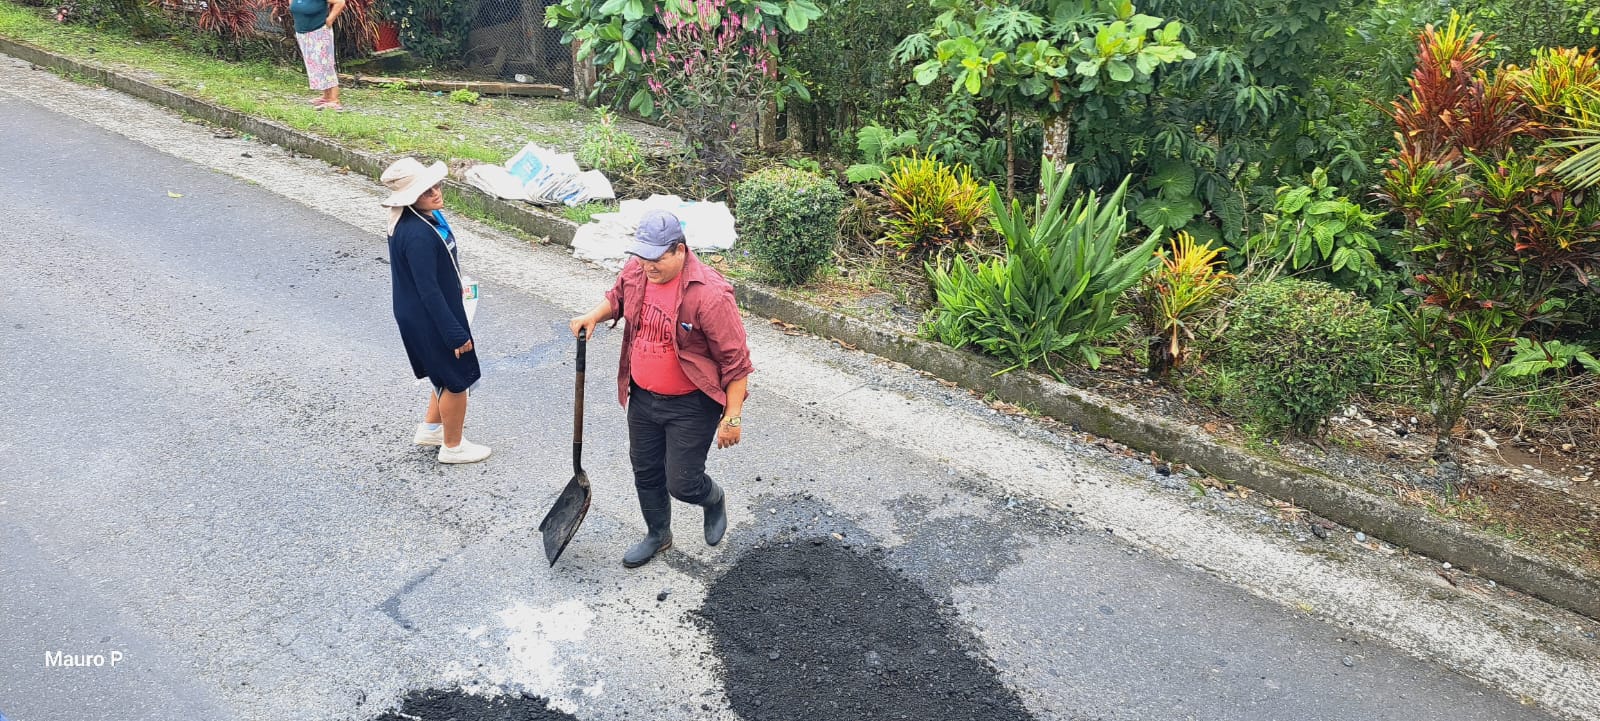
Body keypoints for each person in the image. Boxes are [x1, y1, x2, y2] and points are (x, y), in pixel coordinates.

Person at [570, 210, 752, 568]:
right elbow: (618, 298)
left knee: (683, 483)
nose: (647, 266)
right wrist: (593, 316)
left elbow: (737, 361)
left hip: (690, 404)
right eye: (642, 257)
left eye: (656, 259)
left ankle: (713, 498)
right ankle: (658, 534)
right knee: (645, 470)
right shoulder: (637, 270)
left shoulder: (710, 294)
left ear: (679, 250)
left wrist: (732, 417)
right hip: (642, 397)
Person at [382, 157, 490, 464]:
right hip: (429, 315)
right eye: (425, 190)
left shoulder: (419, 218)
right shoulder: (417, 234)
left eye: (436, 185)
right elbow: (428, 291)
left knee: (442, 371)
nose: (435, 193)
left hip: (423, 311)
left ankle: (432, 428)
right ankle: (453, 446)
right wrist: (454, 333)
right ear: (409, 198)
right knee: (457, 378)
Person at [289, 0, 346, 111]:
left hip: (319, 33)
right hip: (303, 34)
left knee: (326, 64)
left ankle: (334, 100)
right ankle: (326, 97)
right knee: (316, 65)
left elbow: (340, 2)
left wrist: (330, 20)